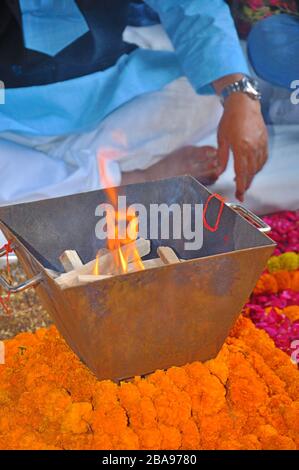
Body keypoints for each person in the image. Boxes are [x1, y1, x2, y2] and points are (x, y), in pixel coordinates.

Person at [0, 0, 268, 205]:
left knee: (207, 97)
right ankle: (129, 179)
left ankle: (57, 181)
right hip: (8, 118)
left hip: (106, 92)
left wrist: (239, 94)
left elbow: (191, 7)